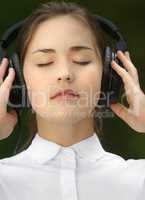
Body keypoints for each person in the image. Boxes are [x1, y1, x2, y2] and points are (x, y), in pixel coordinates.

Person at [0, 1, 145, 200]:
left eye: (82, 60)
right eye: (45, 62)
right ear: (18, 77)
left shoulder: (138, 180)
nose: (65, 74)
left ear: (108, 74)